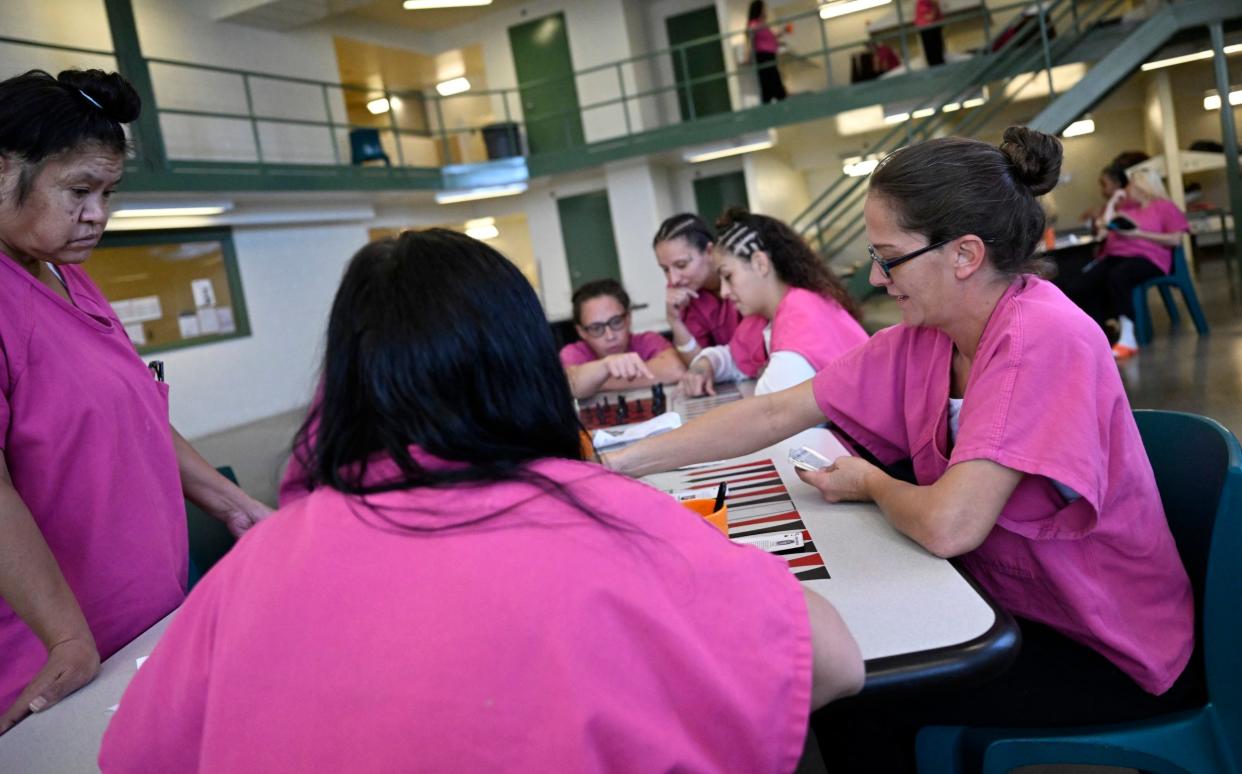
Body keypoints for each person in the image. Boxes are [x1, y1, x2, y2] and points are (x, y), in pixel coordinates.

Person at [98, 230, 864, 772]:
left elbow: (132, 755)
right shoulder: (607, 516)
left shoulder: (260, 560)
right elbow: (834, 664)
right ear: (527, 363)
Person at [606, 127, 1195, 770]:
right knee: (849, 678)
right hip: (1010, 607)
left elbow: (950, 524)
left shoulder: (1040, 339)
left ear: (964, 254)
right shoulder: (929, 337)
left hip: (1100, 640)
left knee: (857, 696)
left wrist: (869, 484)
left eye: (890, 258)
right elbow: (775, 410)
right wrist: (613, 466)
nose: (877, 278)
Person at [0, 69, 270, 733]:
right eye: (79, 191)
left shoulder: (69, 278)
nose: (99, 214)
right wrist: (65, 636)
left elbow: (140, 417)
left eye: (108, 193)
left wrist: (236, 505)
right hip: (57, 661)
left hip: (140, 631)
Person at [680, 208, 868, 397]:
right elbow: (733, 357)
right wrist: (704, 365)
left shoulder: (800, 317)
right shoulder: (769, 316)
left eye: (728, 277)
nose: (724, 292)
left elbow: (773, 412)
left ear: (760, 263)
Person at [1063, 166, 1188, 359]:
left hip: (1148, 258)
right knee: (1080, 285)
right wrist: (1113, 201)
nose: (1127, 189)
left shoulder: (1164, 207)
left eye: (1130, 185)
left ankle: (1128, 338)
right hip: (1114, 257)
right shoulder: (1126, 208)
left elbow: (1175, 240)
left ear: (1143, 188)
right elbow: (1104, 226)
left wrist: (1137, 234)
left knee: (1118, 276)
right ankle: (1100, 336)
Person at [560, 278, 686, 398]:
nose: (610, 336)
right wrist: (606, 365)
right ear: (581, 332)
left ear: (628, 318)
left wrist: (593, 383)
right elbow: (569, 384)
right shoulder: (573, 353)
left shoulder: (648, 340)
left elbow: (676, 369)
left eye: (616, 322)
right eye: (596, 328)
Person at [747, 1, 788, 103]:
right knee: (771, 82)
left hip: (770, 55)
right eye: (763, 9)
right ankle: (779, 99)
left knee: (771, 82)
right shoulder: (754, 24)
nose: (765, 11)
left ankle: (774, 99)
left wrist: (783, 31)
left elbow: (772, 37)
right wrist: (748, 56)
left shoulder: (763, 25)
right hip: (763, 56)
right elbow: (750, 39)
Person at [916, 0, 946, 66]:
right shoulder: (923, 3)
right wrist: (935, 5)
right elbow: (929, 17)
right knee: (934, 54)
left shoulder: (926, 3)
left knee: (937, 54)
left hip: (932, 28)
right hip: (929, 29)